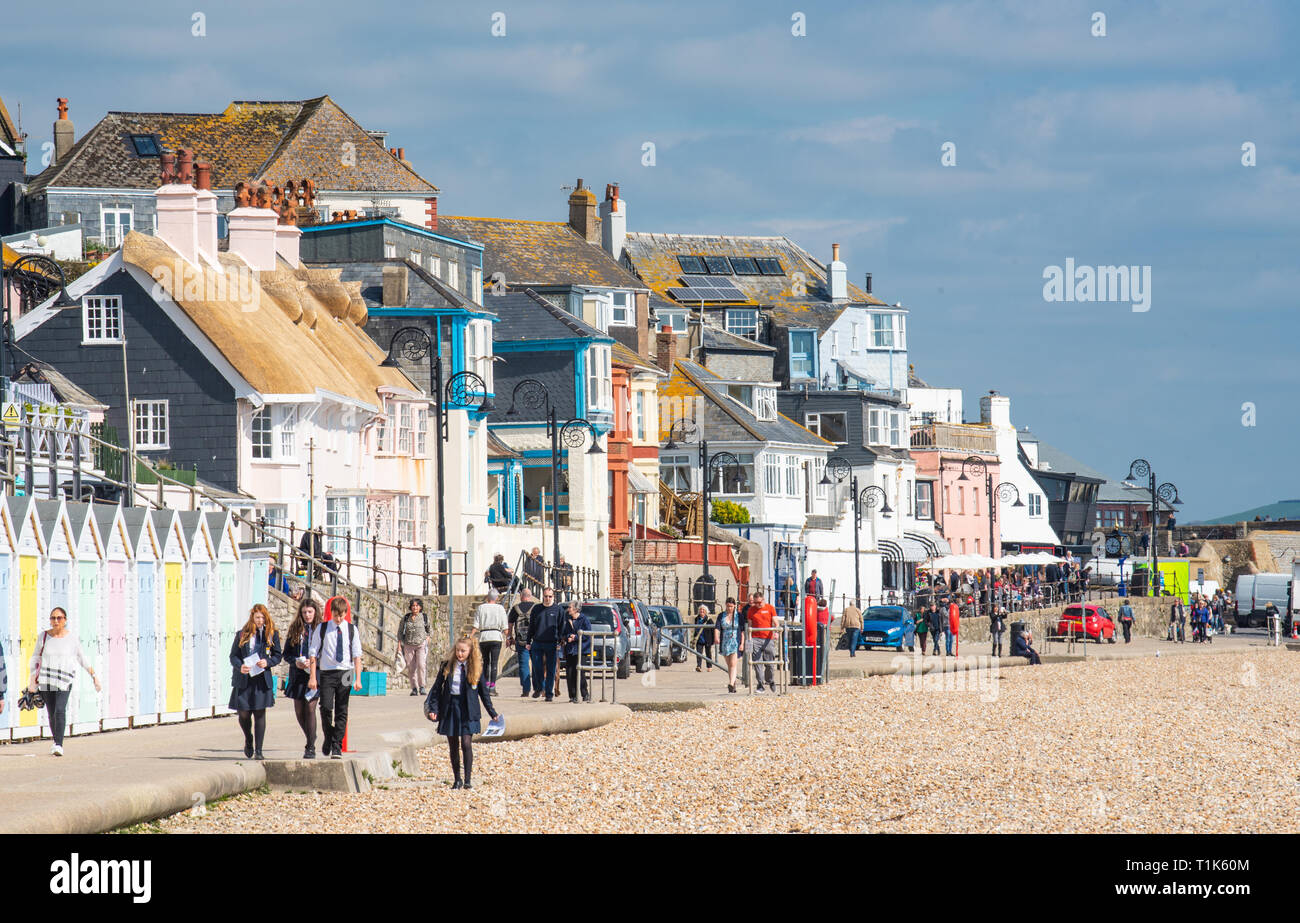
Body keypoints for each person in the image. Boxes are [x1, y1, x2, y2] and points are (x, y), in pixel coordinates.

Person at [424, 637, 499, 790]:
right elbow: (437, 688)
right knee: (453, 745)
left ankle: (468, 780)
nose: (459, 654)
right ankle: (457, 779)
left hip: (468, 709)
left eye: (463, 651)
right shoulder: (447, 666)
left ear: (470, 651)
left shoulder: (477, 668)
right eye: (458, 650)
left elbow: (484, 694)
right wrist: (433, 709)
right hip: (451, 707)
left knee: (466, 743)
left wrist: (493, 713)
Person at [27, 607, 100, 757]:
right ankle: (56, 741)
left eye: (59, 618)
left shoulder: (72, 639)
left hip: (64, 681)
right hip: (46, 680)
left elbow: (81, 658)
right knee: (52, 712)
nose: (55, 621)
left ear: (65, 620)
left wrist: (93, 675)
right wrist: (32, 678)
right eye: (53, 618)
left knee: (60, 710)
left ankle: (59, 744)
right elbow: (35, 657)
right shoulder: (44, 636)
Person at [308, 597, 363, 759]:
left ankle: (337, 745)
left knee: (342, 709)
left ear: (345, 614)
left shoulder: (352, 630)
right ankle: (329, 736)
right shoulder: (323, 628)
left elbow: (357, 655)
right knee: (325, 707)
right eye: (335, 615)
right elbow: (313, 652)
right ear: (330, 613)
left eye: (341, 615)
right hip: (327, 672)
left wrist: (358, 678)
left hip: (346, 672)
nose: (338, 619)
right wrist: (313, 677)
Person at [228, 604, 281, 760]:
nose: (260, 620)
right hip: (244, 678)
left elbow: (278, 655)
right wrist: (240, 666)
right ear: (252, 617)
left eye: (263, 617)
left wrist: (268, 662)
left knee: (259, 713)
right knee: (243, 713)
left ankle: (259, 750)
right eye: (257, 617)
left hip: (261, 679)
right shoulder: (242, 634)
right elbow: (233, 656)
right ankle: (248, 738)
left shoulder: (271, 634)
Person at [282, 597, 321, 759]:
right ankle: (310, 736)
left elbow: (327, 653)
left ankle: (310, 747)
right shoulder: (295, 629)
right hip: (298, 673)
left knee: (310, 708)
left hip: (314, 673)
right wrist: (295, 662)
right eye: (304, 612)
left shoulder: (321, 629)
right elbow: (287, 654)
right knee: (299, 710)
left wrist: (314, 663)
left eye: (310, 612)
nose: (307, 615)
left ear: (315, 612)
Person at [527, 586, 563, 702]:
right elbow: (531, 626)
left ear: (553, 597)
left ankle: (549, 693)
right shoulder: (536, 609)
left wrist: (561, 641)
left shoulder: (558, 610)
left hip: (552, 643)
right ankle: (539, 688)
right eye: (546, 596)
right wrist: (528, 641)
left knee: (551, 669)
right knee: (537, 668)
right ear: (543, 596)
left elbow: (562, 626)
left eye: (550, 596)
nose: (547, 598)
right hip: (537, 642)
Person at [473, 588, 508, 694]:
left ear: (488, 597)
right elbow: (505, 628)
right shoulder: (500, 608)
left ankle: (484, 686)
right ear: (497, 598)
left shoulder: (481, 608)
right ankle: (492, 686)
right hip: (496, 636)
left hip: (484, 637)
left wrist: (470, 636)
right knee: (494, 663)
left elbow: (476, 625)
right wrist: (509, 637)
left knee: (485, 662)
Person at [559, 600, 592, 703]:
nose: (568, 609)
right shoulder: (567, 619)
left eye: (570, 607)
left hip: (581, 650)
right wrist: (569, 637)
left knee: (580, 673)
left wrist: (576, 637)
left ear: (576, 609)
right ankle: (572, 696)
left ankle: (585, 694)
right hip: (570, 650)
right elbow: (564, 633)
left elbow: (587, 634)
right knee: (569, 673)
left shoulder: (584, 619)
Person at [746, 590, 779, 693]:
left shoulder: (770, 608)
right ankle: (760, 684)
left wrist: (776, 631)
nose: (757, 605)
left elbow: (775, 622)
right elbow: (750, 625)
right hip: (756, 638)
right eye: (755, 602)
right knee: (757, 662)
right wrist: (749, 639)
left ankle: (770, 680)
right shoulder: (751, 610)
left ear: (763, 600)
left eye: (759, 602)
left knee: (769, 662)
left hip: (768, 638)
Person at [398, 598, 431, 696]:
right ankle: (414, 688)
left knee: (421, 665)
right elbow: (400, 632)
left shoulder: (424, 617)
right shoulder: (406, 618)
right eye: (413, 606)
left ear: (420, 607)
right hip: (408, 644)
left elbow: (429, 630)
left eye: (417, 606)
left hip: (421, 644)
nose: (415, 607)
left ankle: (422, 686)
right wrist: (399, 645)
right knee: (411, 667)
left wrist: (427, 640)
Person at [506, 588, 535, 697]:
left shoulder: (515, 609)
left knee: (523, 665)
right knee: (537, 664)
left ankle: (526, 689)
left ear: (521, 596)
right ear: (530, 596)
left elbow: (510, 624)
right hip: (534, 641)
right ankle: (538, 688)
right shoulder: (535, 607)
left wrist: (509, 637)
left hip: (521, 641)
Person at [715, 597, 741, 693]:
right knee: (729, 664)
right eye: (728, 606)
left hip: (735, 640)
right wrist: (716, 637)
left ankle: (730, 683)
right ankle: (733, 683)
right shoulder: (721, 615)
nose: (730, 608)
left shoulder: (739, 616)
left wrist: (742, 643)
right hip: (725, 641)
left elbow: (742, 630)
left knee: (733, 663)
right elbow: (717, 627)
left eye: (731, 606)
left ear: (734, 606)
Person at [693, 603, 715, 671]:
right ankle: (699, 666)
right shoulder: (697, 619)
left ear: (705, 611)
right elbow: (695, 628)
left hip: (707, 639)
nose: (701, 611)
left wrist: (713, 640)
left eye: (703, 610)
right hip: (699, 638)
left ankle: (709, 666)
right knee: (699, 653)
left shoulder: (709, 620)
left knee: (708, 653)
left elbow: (713, 630)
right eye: (700, 610)